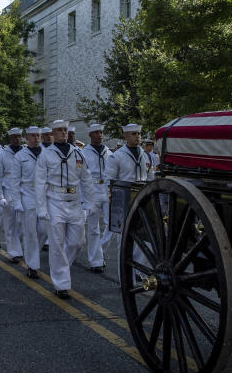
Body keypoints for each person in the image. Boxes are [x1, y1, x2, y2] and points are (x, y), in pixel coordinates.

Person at [34, 120, 95, 299]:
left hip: (74, 201)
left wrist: (90, 202)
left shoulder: (77, 153)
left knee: (78, 242)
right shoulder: (46, 155)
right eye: (59, 130)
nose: (63, 133)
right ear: (53, 133)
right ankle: (61, 284)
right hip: (55, 201)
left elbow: (86, 178)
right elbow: (39, 183)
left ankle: (61, 269)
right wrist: (41, 207)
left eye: (65, 130)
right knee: (57, 244)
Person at [104, 124, 155, 279]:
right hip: (124, 201)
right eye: (134, 134)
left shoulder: (145, 155)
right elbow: (109, 181)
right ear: (126, 136)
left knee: (146, 240)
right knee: (124, 241)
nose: (137, 137)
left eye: (139, 133)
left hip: (142, 200)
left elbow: (150, 177)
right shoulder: (116, 156)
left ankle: (137, 270)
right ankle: (125, 278)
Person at [9, 126, 46, 279]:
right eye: (33, 136)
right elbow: (14, 181)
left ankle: (32, 254)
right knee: (30, 232)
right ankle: (32, 265)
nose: (36, 138)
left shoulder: (46, 153)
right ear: (27, 138)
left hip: (44, 196)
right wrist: (17, 201)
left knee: (44, 230)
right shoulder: (20, 156)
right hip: (28, 195)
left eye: (38, 136)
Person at [79, 124, 113, 273]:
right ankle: (96, 261)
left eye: (101, 132)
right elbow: (79, 176)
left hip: (106, 190)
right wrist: (82, 198)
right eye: (96, 133)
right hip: (91, 190)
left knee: (113, 225)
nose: (100, 135)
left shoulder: (109, 152)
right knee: (93, 228)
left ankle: (100, 249)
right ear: (90, 136)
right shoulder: (83, 153)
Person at [0, 128, 25, 263]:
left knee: (22, 222)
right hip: (8, 190)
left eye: (19, 137)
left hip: (24, 190)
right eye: (14, 137)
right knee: (10, 222)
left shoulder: (26, 152)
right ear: (10, 139)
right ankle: (14, 252)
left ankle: (17, 244)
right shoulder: (3, 154)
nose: (17, 139)